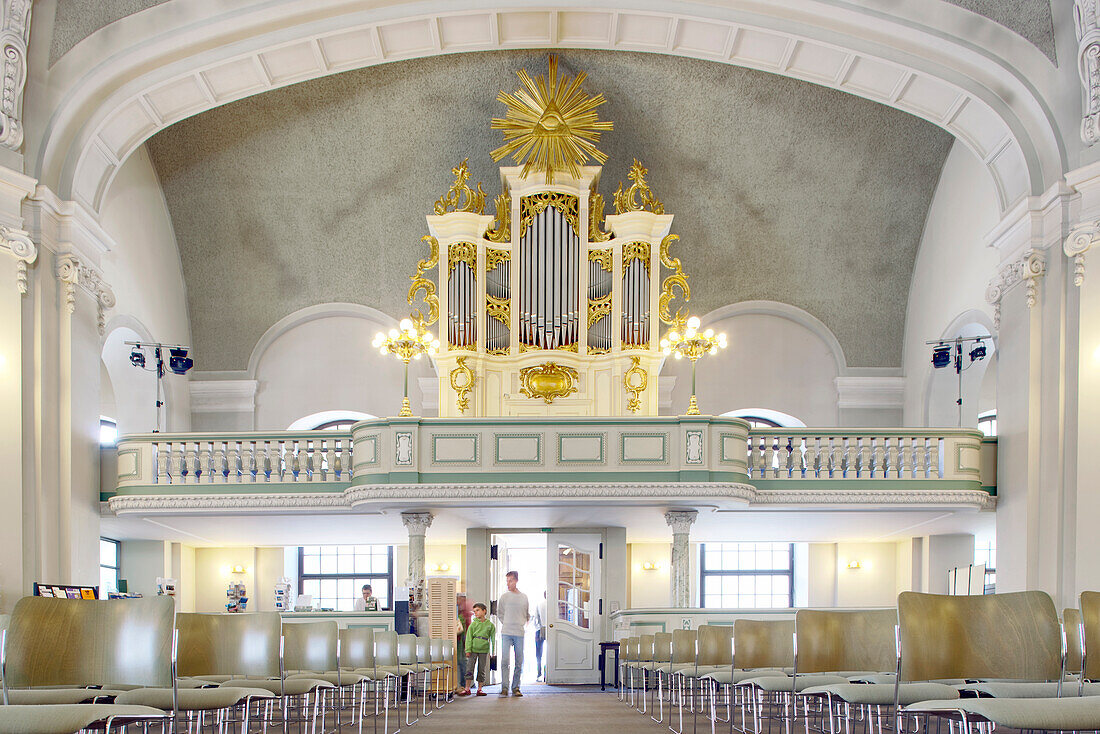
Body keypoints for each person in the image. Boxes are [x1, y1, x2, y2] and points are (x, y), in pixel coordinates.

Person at [497, 570, 530, 697]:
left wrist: (521, 623)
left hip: (519, 633)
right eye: (507, 581)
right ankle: (504, 687)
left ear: (516, 580)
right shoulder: (504, 597)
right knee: (505, 660)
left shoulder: (524, 597)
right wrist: (507, 623)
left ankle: (516, 687)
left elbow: (527, 614)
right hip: (506, 632)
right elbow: (500, 613)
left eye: (510, 580)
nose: (508, 583)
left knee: (519, 661)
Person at [464, 602, 495, 697]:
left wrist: (492, 651)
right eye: (474, 611)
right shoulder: (473, 625)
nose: (476, 613)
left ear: (484, 611)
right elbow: (469, 638)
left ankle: (480, 689)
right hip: (473, 649)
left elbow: (493, 639)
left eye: (477, 610)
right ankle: (467, 688)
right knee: (470, 668)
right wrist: (468, 649)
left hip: (484, 650)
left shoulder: (490, 625)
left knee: (482, 669)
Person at [456, 593, 472, 695]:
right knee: (461, 662)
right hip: (459, 640)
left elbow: (467, 628)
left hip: (462, 640)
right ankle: (463, 685)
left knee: (463, 662)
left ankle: (464, 685)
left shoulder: (465, 612)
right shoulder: (461, 611)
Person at [534, 591, 547, 681]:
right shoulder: (554, 604)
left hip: (540, 629)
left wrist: (537, 628)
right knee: (551, 653)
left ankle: (539, 674)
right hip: (551, 628)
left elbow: (536, 619)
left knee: (539, 653)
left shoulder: (539, 604)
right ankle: (547, 673)